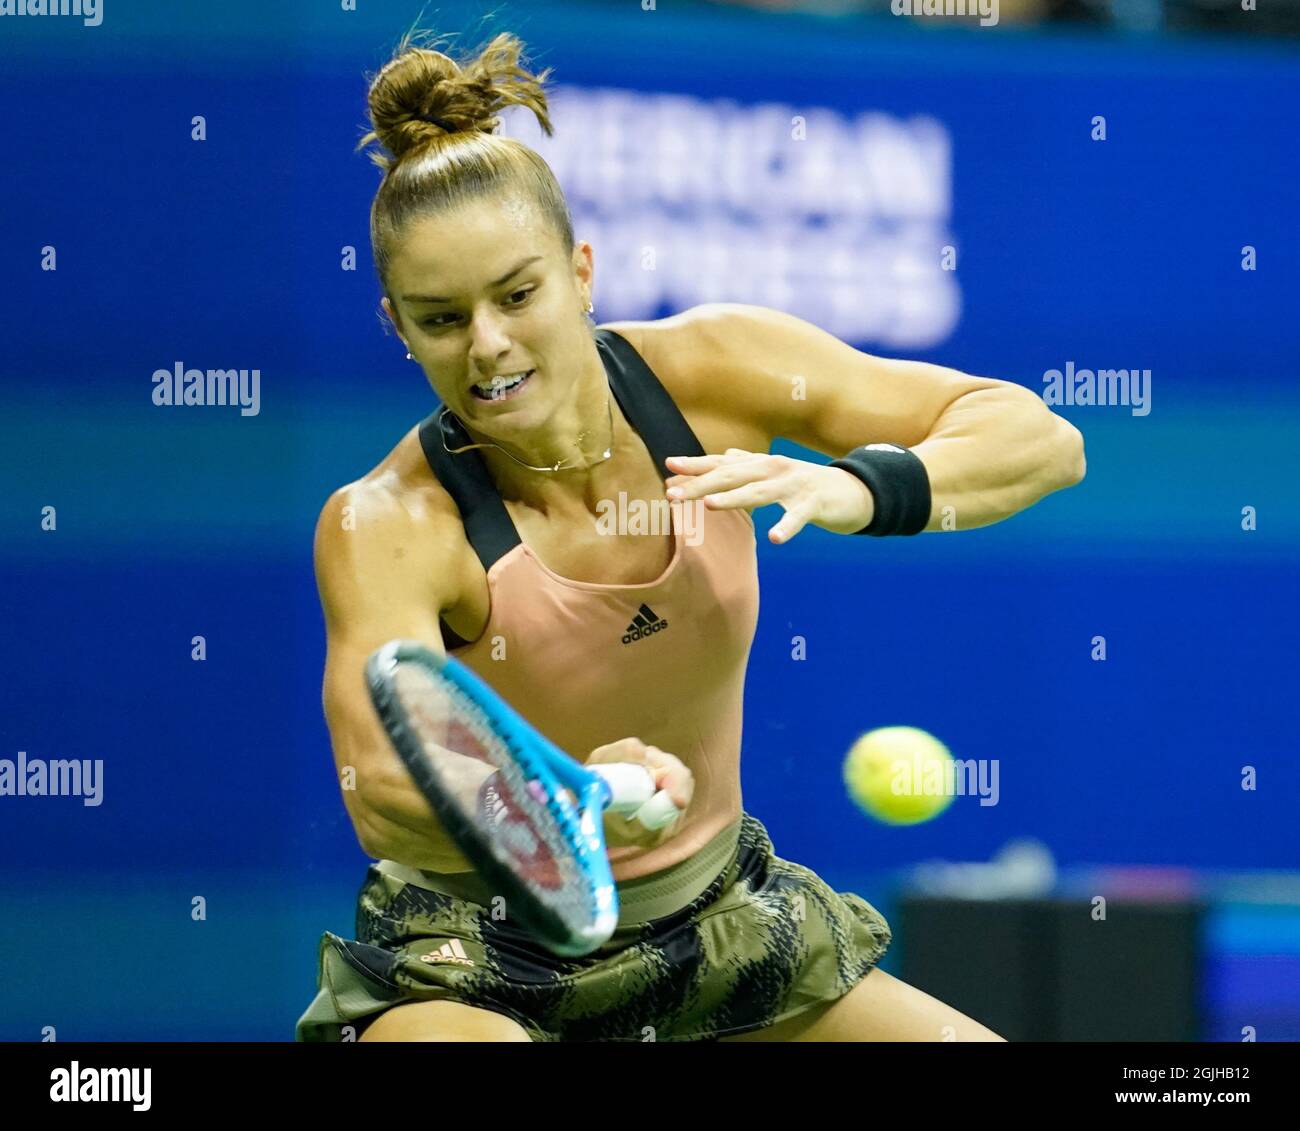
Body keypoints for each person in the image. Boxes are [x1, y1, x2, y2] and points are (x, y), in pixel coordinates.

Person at [295, 29, 1084, 1043]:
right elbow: (381, 787)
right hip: (474, 962)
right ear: (399, 327)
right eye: (441, 318)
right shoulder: (386, 523)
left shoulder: (718, 369)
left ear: (581, 271)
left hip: (720, 928)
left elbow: (1041, 441)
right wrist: (568, 798)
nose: (487, 343)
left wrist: (863, 487)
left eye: (518, 294)